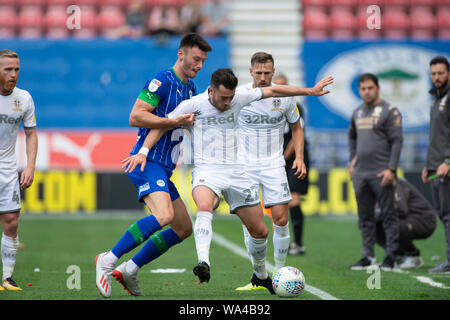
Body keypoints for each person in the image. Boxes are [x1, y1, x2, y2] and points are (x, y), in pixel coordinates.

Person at [127, 68, 333, 293]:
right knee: (205, 205)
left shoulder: (239, 98)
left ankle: (261, 276)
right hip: (207, 170)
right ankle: (203, 261)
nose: (227, 102)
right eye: (223, 98)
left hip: (237, 172)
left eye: (231, 98)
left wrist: (309, 91)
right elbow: (163, 124)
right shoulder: (193, 105)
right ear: (211, 90)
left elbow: (273, 89)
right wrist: (144, 151)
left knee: (260, 231)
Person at [94, 33, 212, 298]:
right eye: (196, 59)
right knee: (165, 216)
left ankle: (131, 268)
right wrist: (173, 122)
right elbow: (135, 116)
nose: (200, 65)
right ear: (181, 54)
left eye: (203, 61)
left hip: (164, 168)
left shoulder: (190, 88)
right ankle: (108, 259)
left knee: (183, 229)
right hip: (146, 161)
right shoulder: (162, 81)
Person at [233, 54, 307, 292]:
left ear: (273, 71)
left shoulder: (284, 96)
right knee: (252, 226)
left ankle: (280, 272)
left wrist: (299, 158)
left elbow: (296, 127)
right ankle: (259, 275)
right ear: (250, 72)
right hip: (245, 167)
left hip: (274, 165)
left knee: (281, 219)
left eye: (267, 73)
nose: (263, 77)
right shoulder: (240, 95)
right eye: (259, 73)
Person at [348, 73, 403, 271]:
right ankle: (368, 257)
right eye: (363, 88)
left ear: (378, 88)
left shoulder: (390, 111)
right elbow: (352, 138)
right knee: (365, 218)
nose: (367, 92)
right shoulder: (357, 112)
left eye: (370, 88)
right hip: (361, 174)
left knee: (388, 216)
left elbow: (397, 141)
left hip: (382, 173)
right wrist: (352, 160)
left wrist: (391, 169)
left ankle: (391, 256)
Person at [0, 49, 38, 291]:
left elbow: (31, 134)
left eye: (16, 70)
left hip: (7, 170)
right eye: (8, 70)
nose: (13, 75)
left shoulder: (23, 98)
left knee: (11, 222)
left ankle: (7, 278)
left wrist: (30, 166)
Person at [274, 73, 310, 256]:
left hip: (295, 157)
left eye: (284, 86)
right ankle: (285, 241)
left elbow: (295, 135)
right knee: (280, 201)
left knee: (293, 198)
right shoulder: (269, 106)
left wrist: (284, 158)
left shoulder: (295, 107)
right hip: (278, 158)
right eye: (277, 86)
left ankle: (298, 243)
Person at [421, 56, 450, 274]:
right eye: (433, 74)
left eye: (440, 73)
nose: (436, 77)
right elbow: (437, 136)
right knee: (443, 213)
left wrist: (448, 160)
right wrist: (428, 164)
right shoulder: (436, 99)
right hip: (435, 166)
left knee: (448, 214)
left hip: (446, 166)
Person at [375, 178, 436, 269]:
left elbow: (401, 209)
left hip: (423, 220)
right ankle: (400, 255)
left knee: (391, 224)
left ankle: (412, 256)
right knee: (373, 225)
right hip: (407, 219)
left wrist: (378, 213)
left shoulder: (393, 182)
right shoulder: (373, 185)